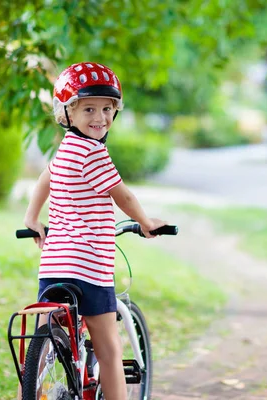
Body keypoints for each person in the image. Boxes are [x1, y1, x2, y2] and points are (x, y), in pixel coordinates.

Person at [23, 62, 166, 400]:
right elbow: (123, 195)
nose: (100, 117)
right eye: (88, 108)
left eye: (107, 109)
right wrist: (146, 223)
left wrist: (32, 217)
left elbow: (45, 179)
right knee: (110, 351)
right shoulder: (94, 153)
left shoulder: (65, 152)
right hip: (90, 266)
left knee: (42, 347)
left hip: (54, 266)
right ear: (66, 113)